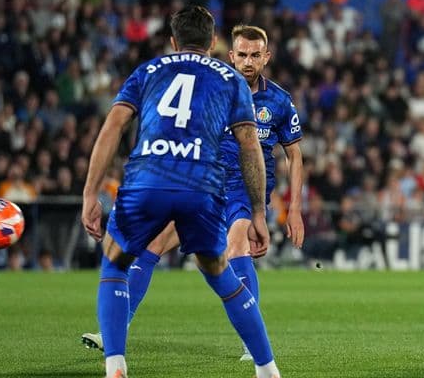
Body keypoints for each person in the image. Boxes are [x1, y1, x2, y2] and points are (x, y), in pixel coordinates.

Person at [81, 25, 306, 363]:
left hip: (245, 188)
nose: (247, 62)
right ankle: (117, 328)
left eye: (255, 55)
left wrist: (296, 208)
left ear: (266, 56)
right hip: (205, 182)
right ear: (230, 55)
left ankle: (251, 345)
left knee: (236, 246)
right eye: (241, 54)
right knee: (152, 245)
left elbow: (295, 154)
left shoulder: (278, 100)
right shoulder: (214, 86)